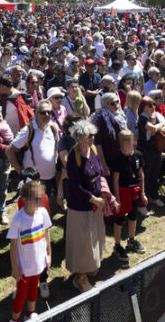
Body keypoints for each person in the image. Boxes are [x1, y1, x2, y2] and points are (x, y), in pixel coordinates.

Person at [64, 119, 105, 293]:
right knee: (82, 243)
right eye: (89, 136)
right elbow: (75, 185)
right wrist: (93, 198)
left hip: (95, 206)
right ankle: (80, 277)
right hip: (80, 207)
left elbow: (100, 171)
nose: (92, 139)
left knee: (95, 238)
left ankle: (91, 266)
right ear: (79, 138)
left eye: (93, 135)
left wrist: (104, 193)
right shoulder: (74, 157)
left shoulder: (93, 150)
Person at [7, 179, 52, 322]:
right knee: (21, 293)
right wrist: (15, 268)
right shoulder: (18, 219)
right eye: (35, 198)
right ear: (25, 199)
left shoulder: (43, 213)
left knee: (34, 288)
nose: (40, 200)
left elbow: (46, 234)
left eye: (41, 197)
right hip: (24, 267)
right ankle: (15, 319)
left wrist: (48, 254)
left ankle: (30, 313)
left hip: (39, 262)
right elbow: (13, 246)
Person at [7, 100, 61, 207]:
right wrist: (20, 172)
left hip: (50, 178)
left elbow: (56, 144)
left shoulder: (53, 127)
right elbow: (9, 151)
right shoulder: (28, 130)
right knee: (33, 211)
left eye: (49, 112)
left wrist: (55, 159)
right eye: (43, 112)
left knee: (46, 208)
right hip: (33, 181)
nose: (46, 115)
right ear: (36, 113)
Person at [110, 130, 146, 260]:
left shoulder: (138, 155)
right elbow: (115, 179)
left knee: (133, 215)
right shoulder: (118, 158)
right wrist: (117, 199)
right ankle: (117, 245)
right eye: (131, 141)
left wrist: (143, 192)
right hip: (123, 191)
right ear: (124, 143)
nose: (134, 143)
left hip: (135, 191)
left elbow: (141, 174)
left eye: (134, 140)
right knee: (119, 219)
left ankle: (131, 240)